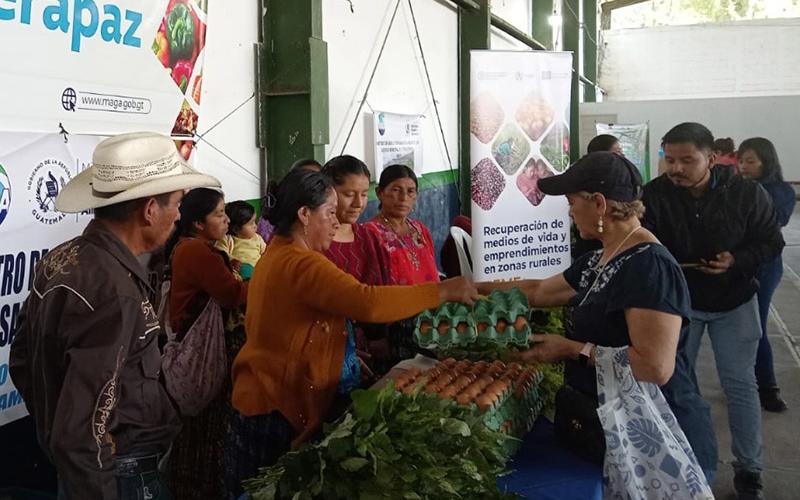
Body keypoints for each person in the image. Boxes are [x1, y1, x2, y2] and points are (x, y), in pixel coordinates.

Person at [224, 168, 478, 498]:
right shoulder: (301, 263)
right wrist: (440, 291)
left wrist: (342, 354)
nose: (336, 221)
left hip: (263, 393)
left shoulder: (279, 251)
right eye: (329, 212)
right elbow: (366, 301)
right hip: (275, 407)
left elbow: (296, 322)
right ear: (304, 214)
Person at [479, 152, 717, 484]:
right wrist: (471, 290)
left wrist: (570, 349)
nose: (570, 211)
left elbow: (655, 367)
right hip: (611, 429)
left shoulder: (649, 267)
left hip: (658, 443)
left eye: (572, 201)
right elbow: (538, 291)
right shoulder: (600, 258)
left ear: (600, 204)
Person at [9, 131, 220, 499]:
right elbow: (81, 433)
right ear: (150, 209)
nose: (178, 216)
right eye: (177, 204)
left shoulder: (61, 259)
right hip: (120, 477)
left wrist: (54, 417)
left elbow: (23, 362)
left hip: (95, 470)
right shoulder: (115, 295)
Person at [643, 122, 785, 500]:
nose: (676, 168)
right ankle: (686, 463)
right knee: (678, 387)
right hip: (679, 306)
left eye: (687, 160)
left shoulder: (745, 193)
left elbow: (771, 242)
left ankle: (749, 469)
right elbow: (644, 243)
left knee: (739, 385)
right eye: (669, 159)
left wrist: (736, 260)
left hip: (734, 300)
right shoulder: (654, 195)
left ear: (712, 158)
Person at [164, 188, 250, 500]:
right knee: (206, 430)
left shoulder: (191, 248)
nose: (227, 219)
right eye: (219, 214)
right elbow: (231, 295)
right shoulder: (197, 252)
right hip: (205, 352)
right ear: (199, 223)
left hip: (200, 348)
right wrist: (269, 278)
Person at [363, 165, 440, 373]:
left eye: (410, 191)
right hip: (393, 326)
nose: (404, 197)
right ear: (380, 193)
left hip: (428, 320)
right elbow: (369, 287)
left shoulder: (420, 229)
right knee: (399, 380)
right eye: (396, 190)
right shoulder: (370, 233)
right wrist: (376, 336)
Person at [738, 137, 796, 412]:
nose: (744, 166)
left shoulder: (779, 190)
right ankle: (743, 381)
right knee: (739, 328)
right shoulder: (737, 188)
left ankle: (768, 386)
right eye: (742, 161)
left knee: (756, 325)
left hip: (764, 265)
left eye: (751, 161)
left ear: (766, 161)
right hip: (738, 263)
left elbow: (776, 222)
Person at [321, 154, 385, 392]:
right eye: (349, 194)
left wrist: (378, 340)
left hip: (366, 346)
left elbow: (376, 292)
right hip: (324, 349)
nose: (359, 203)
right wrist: (340, 349)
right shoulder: (313, 242)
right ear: (327, 193)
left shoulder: (367, 237)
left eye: (364, 193)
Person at [256, 158, 322, 243]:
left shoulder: (325, 214)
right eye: (305, 178)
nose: (311, 183)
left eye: (317, 180)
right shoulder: (272, 218)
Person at [218, 200, 267, 280]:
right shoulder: (228, 239)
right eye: (251, 223)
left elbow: (265, 253)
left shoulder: (257, 238)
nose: (255, 226)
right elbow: (220, 253)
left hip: (258, 271)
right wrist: (231, 260)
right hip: (239, 273)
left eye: (255, 222)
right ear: (236, 229)